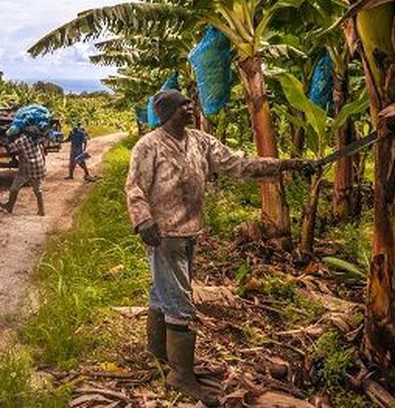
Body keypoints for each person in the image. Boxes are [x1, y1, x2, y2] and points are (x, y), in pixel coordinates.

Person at [126, 90, 313, 406]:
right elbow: (134, 186)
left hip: (189, 231)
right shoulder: (149, 145)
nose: (191, 106)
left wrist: (286, 165)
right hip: (165, 234)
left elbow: (237, 165)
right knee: (180, 301)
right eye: (184, 104)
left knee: (163, 292)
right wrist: (143, 221)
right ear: (169, 111)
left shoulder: (200, 141)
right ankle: (181, 375)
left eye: (190, 102)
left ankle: (159, 353)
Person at [0, 128, 47, 216]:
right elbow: (42, 152)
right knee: (38, 189)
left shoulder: (22, 140)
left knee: (14, 187)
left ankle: (9, 206)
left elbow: (10, 148)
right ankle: (41, 210)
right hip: (38, 166)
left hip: (27, 168)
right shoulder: (36, 139)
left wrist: (6, 142)